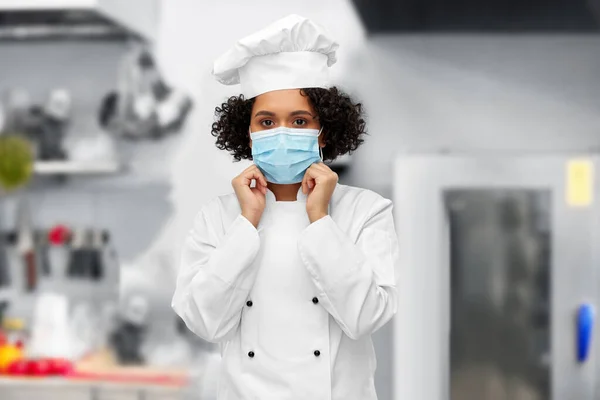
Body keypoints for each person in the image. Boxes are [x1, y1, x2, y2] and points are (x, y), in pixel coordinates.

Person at [172, 14, 400, 400]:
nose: (282, 133)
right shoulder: (218, 217)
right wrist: (247, 222)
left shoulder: (367, 211)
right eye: (266, 121)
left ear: (323, 129)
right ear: (246, 132)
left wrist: (320, 218)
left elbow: (365, 318)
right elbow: (203, 322)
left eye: (299, 120)